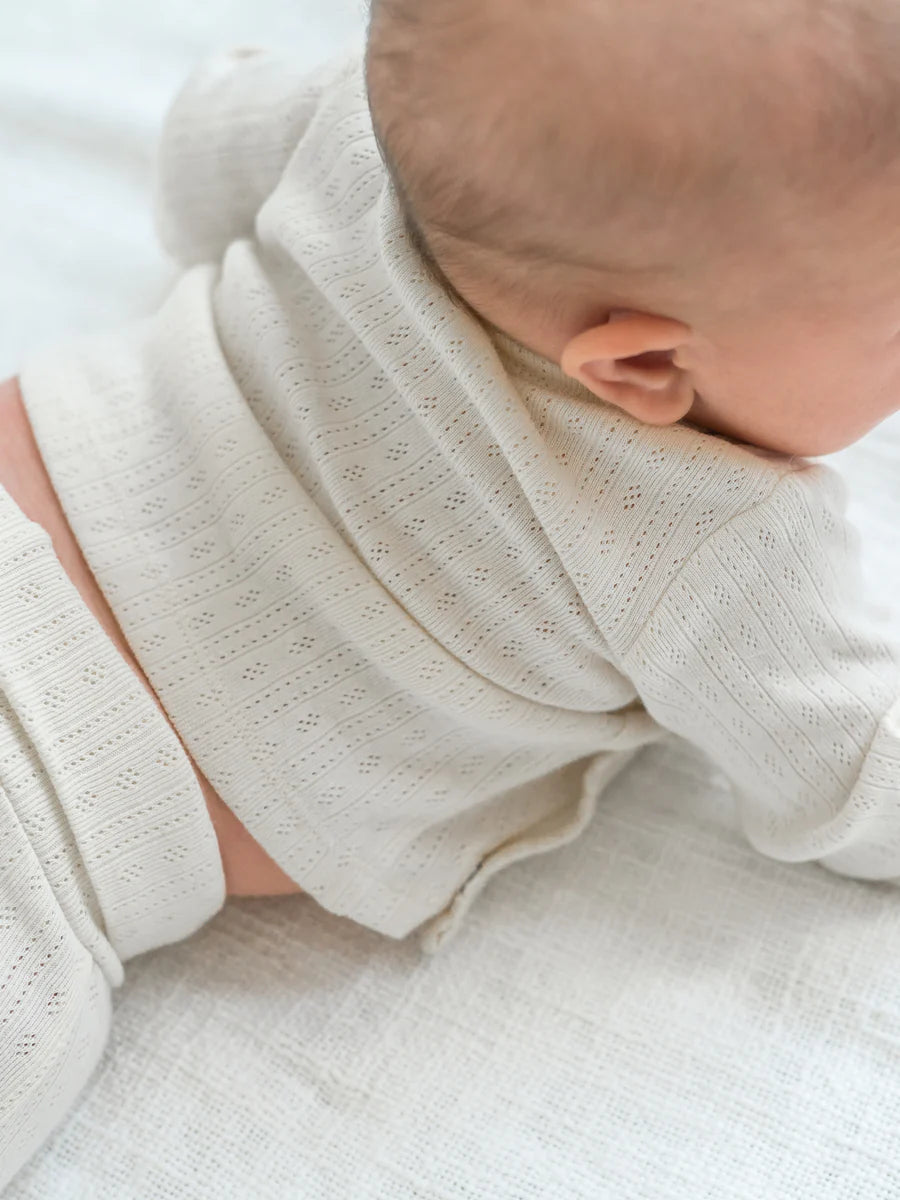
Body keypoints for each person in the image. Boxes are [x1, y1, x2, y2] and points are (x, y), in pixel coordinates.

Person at [6, 0, 900, 1183]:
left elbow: (199, 152)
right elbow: (860, 777)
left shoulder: (366, 129)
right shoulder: (713, 535)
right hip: (48, 813)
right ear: (642, 362)